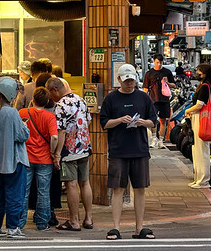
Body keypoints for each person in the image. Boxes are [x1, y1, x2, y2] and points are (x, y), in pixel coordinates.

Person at [99, 64, 158, 240]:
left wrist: (142, 122)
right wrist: (118, 120)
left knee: (140, 188)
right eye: (126, 81)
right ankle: (115, 228)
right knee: (117, 189)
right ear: (118, 80)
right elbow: (104, 123)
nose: (129, 84)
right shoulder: (111, 99)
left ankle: (139, 227)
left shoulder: (143, 98)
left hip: (139, 149)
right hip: (118, 150)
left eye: (132, 80)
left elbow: (153, 122)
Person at [0, 77, 30, 239]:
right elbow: (22, 136)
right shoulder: (12, 113)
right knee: (15, 194)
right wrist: (24, 125)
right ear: (10, 94)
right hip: (14, 160)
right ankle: (12, 227)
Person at [46, 76, 93, 231]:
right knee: (85, 182)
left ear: (55, 90)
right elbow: (88, 121)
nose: (50, 97)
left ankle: (74, 221)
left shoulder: (61, 105)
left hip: (69, 151)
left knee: (71, 183)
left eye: (50, 93)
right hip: (84, 148)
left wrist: (57, 153)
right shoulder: (81, 100)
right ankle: (88, 218)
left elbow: (61, 131)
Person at [18, 87, 58, 232]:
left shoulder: (22, 113)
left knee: (23, 191)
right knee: (43, 191)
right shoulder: (49, 117)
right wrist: (53, 151)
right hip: (44, 159)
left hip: (26, 157)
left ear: (32, 99)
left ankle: (20, 222)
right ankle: (42, 223)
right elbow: (54, 137)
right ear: (47, 101)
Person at [183, 63, 211, 189]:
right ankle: (198, 178)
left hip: (201, 120)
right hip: (197, 119)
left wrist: (187, 111)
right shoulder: (202, 86)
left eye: (199, 71)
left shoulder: (205, 87)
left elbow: (199, 105)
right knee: (197, 150)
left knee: (202, 151)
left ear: (205, 73)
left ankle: (203, 180)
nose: (197, 73)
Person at [142, 54, 176, 149]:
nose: (159, 64)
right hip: (153, 99)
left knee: (163, 120)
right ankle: (153, 139)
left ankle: (161, 140)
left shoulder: (167, 72)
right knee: (153, 119)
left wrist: (167, 83)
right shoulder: (149, 73)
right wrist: (145, 100)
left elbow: (174, 85)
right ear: (153, 61)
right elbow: (145, 88)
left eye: (161, 63)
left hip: (164, 99)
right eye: (157, 62)